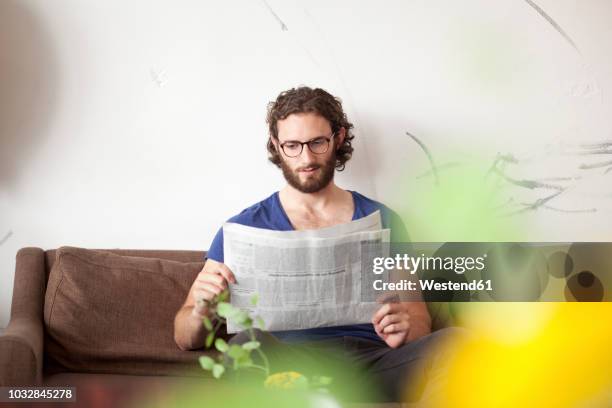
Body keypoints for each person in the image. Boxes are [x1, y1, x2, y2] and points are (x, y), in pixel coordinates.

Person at [174, 86, 461, 402]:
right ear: (276, 145)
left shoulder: (382, 218)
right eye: (292, 145)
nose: (306, 158)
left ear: (337, 138)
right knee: (245, 344)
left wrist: (406, 326)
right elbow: (185, 337)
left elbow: (419, 319)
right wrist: (201, 308)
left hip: (373, 363)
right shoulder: (243, 228)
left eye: (317, 143)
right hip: (289, 366)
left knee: (455, 343)